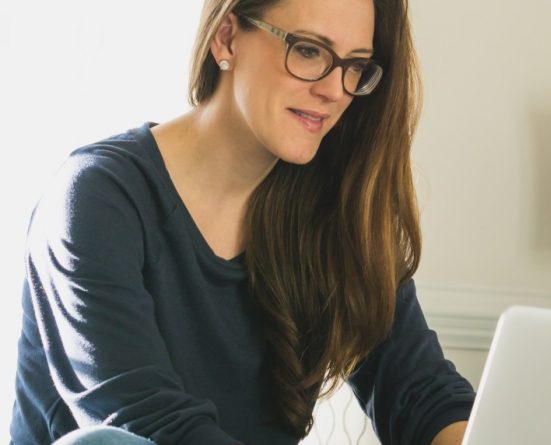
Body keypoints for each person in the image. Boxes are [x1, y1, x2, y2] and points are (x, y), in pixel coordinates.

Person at [9, 0, 476, 444]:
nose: (334, 90)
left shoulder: (334, 215)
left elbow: (420, 393)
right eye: (309, 51)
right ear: (227, 38)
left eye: (354, 65)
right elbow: (150, 423)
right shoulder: (96, 199)